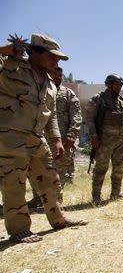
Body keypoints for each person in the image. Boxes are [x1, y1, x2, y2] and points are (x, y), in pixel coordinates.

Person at [0, 33, 84, 243]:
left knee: (51, 178)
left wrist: (56, 139)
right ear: (35, 52)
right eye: (53, 56)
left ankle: (58, 219)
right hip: (10, 137)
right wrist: (3, 51)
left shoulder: (50, 84)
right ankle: (19, 230)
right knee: (14, 183)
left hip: (36, 138)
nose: (56, 61)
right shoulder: (11, 67)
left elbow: (51, 114)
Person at [28, 66, 82, 207]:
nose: (58, 76)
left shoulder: (68, 94)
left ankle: (57, 201)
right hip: (39, 137)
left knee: (59, 172)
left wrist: (72, 134)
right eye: (54, 74)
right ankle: (38, 197)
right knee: (35, 168)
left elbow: (77, 116)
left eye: (60, 74)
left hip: (62, 140)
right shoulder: (40, 89)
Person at [84, 74, 123, 205]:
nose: (118, 87)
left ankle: (115, 194)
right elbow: (89, 120)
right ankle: (96, 197)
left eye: (120, 85)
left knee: (119, 169)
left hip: (121, 142)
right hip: (104, 141)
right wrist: (94, 137)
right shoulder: (98, 99)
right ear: (109, 84)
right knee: (101, 169)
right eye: (116, 84)